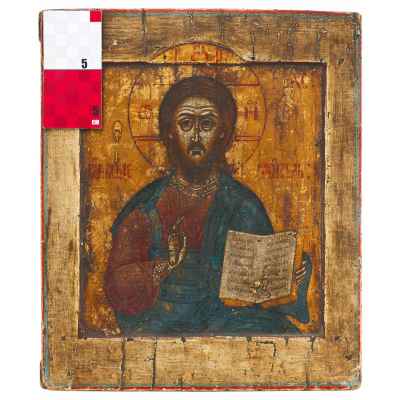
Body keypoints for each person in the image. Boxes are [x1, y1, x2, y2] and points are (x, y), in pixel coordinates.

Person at [104, 76, 312, 335]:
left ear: (223, 133)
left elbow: (263, 293)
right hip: (164, 326)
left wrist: (289, 280)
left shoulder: (242, 204)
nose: (195, 136)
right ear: (170, 132)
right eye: (185, 124)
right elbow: (116, 287)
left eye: (206, 124)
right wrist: (166, 266)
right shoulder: (147, 206)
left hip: (232, 325)